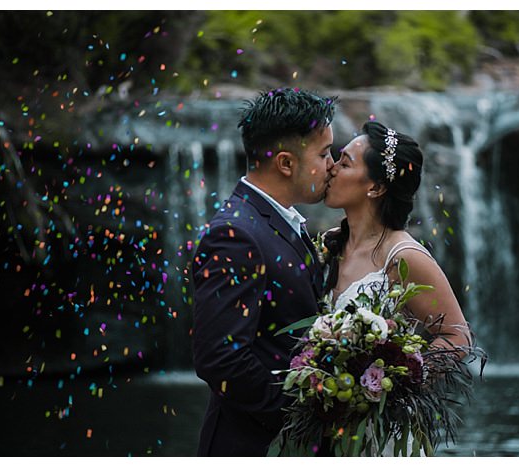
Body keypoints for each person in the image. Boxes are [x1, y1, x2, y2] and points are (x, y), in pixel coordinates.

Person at [191, 88, 338, 456]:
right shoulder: (236, 234)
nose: (332, 165)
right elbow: (221, 359)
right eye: (323, 154)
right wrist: (303, 417)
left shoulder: (275, 221)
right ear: (286, 164)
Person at [322, 122, 472, 456]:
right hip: (328, 430)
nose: (330, 168)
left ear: (375, 187)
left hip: (382, 434)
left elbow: (457, 335)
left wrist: (391, 383)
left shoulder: (403, 256)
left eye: (344, 163)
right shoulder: (329, 245)